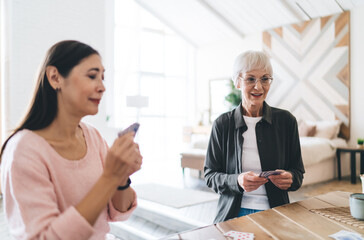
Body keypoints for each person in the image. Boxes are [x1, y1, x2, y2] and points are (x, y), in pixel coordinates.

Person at [0, 40, 142, 239]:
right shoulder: (23, 150)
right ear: (55, 77)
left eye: (103, 77)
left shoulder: (92, 137)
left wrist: (121, 177)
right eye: (92, 76)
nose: (102, 87)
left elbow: (117, 211)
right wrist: (109, 176)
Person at [204, 50, 305, 223]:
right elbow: (210, 175)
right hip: (233, 215)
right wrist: (237, 180)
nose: (258, 86)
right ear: (237, 82)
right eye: (251, 79)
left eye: (265, 79)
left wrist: (290, 178)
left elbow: (297, 173)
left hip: (277, 213)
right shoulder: (222, 124)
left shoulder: (287, 121)